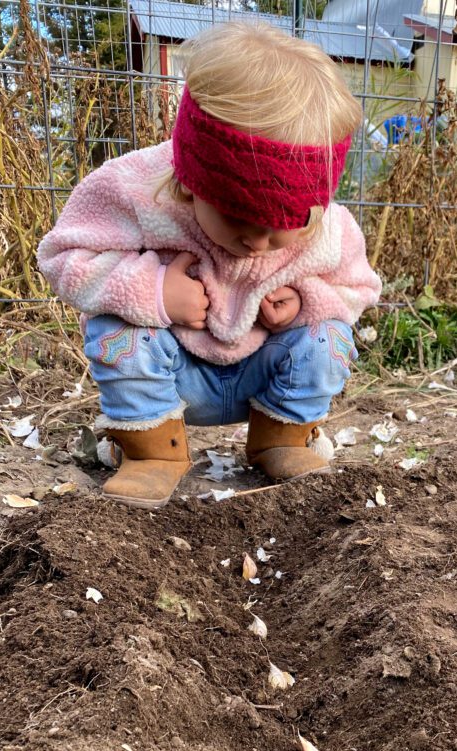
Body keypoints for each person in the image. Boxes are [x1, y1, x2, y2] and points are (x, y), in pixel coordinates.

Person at [38, 22, 381, 509]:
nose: (259, 242)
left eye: (284, 226)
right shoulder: (134, 191)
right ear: (190, 180)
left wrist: (306, 301)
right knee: (117, 327)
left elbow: (358, 287)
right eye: (239, 218)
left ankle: (282, 438)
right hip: (172, 372)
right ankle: (153, 451)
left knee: (329, 336)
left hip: (265, 375)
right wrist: (153, 292)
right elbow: (64, 257)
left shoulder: (328, 227)